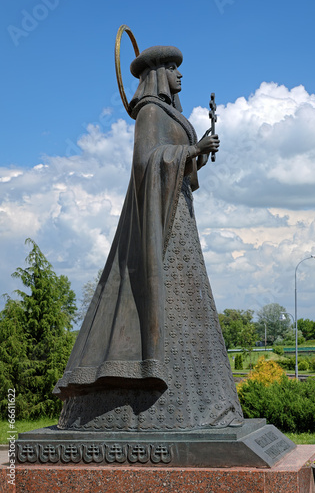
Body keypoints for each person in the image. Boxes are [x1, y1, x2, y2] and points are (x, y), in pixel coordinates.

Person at [54, 45, 244, 430]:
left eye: (178, 68)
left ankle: (202, 398)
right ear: (157, 74)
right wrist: (192, 148)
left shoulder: (171, 112)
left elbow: (179, 166)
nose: (179, 75)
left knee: (189, 304)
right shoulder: (150, 112)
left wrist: (199, 154)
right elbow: (146, 162)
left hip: (179, 215)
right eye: (172, 68)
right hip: (159, 226)